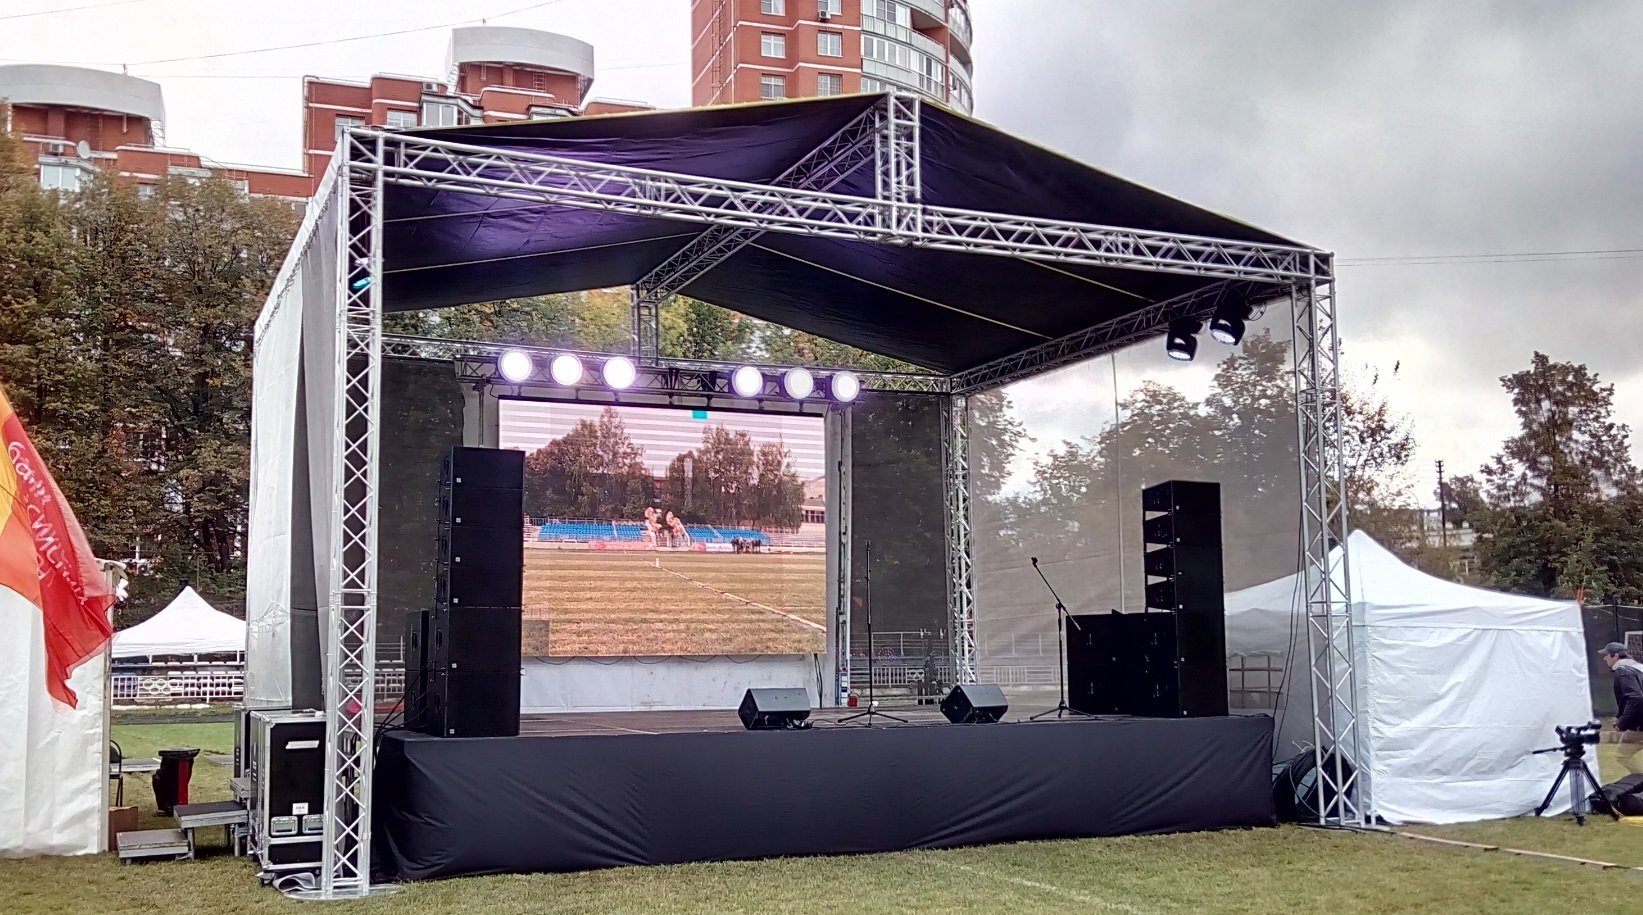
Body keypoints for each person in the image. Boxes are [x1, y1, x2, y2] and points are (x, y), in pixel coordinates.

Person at [1601, 642, 1643, 775]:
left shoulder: (1623, 671)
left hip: (1639, 726)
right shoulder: (1638, 668)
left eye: (1607, 655)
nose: (1604, 658)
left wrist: (1623, 722)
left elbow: (1636, 698)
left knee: (1622, 756)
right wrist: (1619, 715)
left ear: (1616, 656)